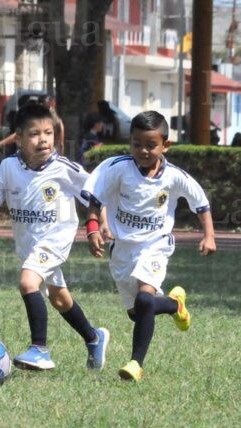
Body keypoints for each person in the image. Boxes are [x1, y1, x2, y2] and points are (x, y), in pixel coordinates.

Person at [82, 110, 216, 382]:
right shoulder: (118, 167)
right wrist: (93, 228)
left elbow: (201, 203)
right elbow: (95, 198)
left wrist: (209, 235)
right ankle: (175, 304)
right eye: (137, 144)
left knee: (145, 299)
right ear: (129, 142)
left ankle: (135, 364)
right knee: (137, 313)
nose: (143, 150)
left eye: (151, 145)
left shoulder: (175, 176)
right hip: (122, 250)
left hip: (156, 246)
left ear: (165, 145)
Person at [0, 103, 109, 371]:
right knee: (59, 298)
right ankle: (94, 337)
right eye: (35, 134)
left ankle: (40, 350)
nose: (43, 139)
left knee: (28, 282)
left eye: (48, 133)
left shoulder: (63, 168)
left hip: (56, 238)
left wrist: (99, 223)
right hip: (29, 244)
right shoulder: (7, 167)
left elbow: (96, 193)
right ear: (19, 138)